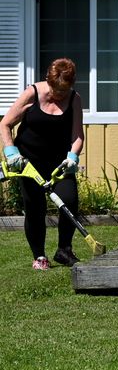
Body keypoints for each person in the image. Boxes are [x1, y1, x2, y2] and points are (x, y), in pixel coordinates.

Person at [1, 58, 85, 269]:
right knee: (35, 207)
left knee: (69, 199)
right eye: (56, 90)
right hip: (28, 162)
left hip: (59, 163)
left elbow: (77, 135)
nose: (59, 95)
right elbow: (5, 124)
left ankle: (64, 250)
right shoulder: (33, 93)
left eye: (64, 91)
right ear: (48, 81)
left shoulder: (74, 99)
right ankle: (39, 256)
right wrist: (11, 153)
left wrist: (72, 157)